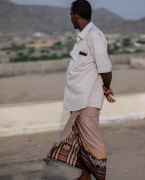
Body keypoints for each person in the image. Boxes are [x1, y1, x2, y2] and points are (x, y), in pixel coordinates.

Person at [44, 1, 115, 179]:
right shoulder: (84, 36)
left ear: (75, 15)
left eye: (70, 15)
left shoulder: (94, 36)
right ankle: (85, 177)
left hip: (88, 102)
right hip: (79, 101)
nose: (70, 18)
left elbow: (105, 69)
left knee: (94, 143)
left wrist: (106, 87)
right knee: (83, 142)